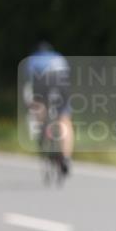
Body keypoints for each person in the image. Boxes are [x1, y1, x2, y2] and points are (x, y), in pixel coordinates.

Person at [23, 42, 73, 175]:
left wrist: (30, 105)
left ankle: (42, 129)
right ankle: (66, 158)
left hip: (41, 83)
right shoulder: (58, 57)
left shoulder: (32, 59)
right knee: (65, 118)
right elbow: (68, 75)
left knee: (39, 107)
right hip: (61, 83)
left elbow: (28, 83)